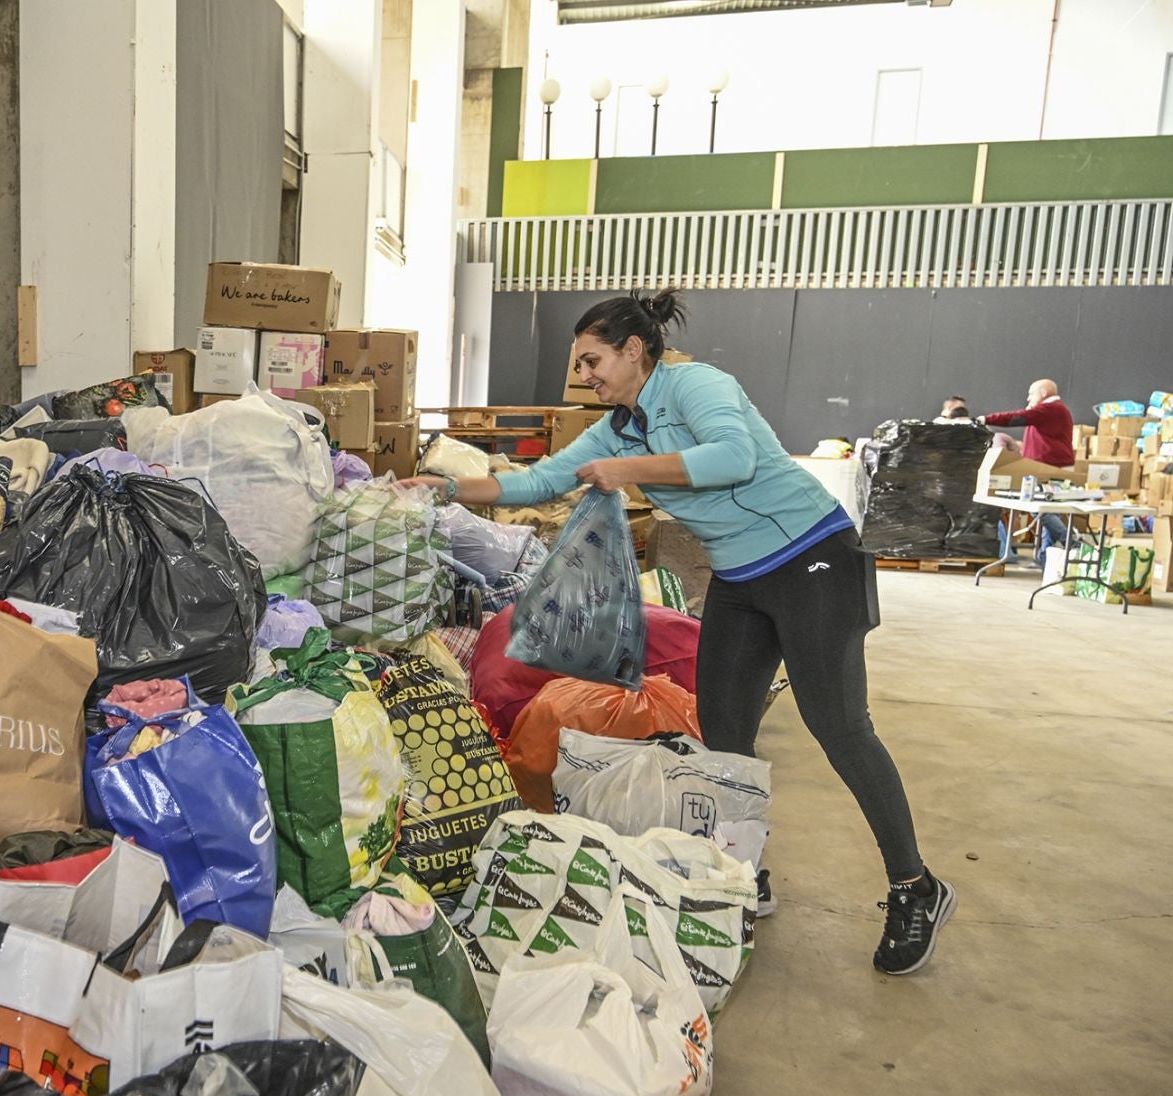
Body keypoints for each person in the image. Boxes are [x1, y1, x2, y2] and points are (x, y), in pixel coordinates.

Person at [402, 289, 957, 975]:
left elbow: (734, 458)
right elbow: (542, 480)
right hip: (741, 578)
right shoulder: (621, 425)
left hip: (813, 558)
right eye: (581, 365)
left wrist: (624, 471)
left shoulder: (697, 386)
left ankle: (915, 886)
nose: (586, 376)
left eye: (593, 360)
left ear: (635, 351)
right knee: (724, 730)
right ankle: (744, 870)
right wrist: (444, 490)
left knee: (839, 725)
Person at [982, 380, 1075, 563]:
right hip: (1044, 467)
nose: (1028, 397)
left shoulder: (1050, 409)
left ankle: (1071, 541)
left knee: (1039, 509)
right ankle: (1045, 558)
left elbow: (1018, 417)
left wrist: (986, 419)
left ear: (1043, 393)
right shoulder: (1050, 412)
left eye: (1031, 393)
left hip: (1049, 469)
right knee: (1048, 512)